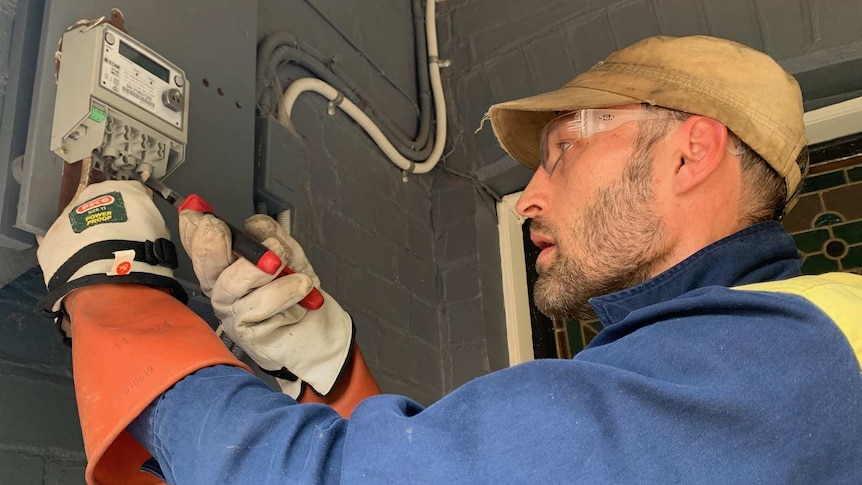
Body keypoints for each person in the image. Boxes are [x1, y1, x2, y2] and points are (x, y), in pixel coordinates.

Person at [37, 35, 862, 485]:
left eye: (564, 151)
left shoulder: (786, 366)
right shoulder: (746, 358)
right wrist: (329, 371)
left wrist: (123, 300)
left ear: (691, 154)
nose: (530, 196)